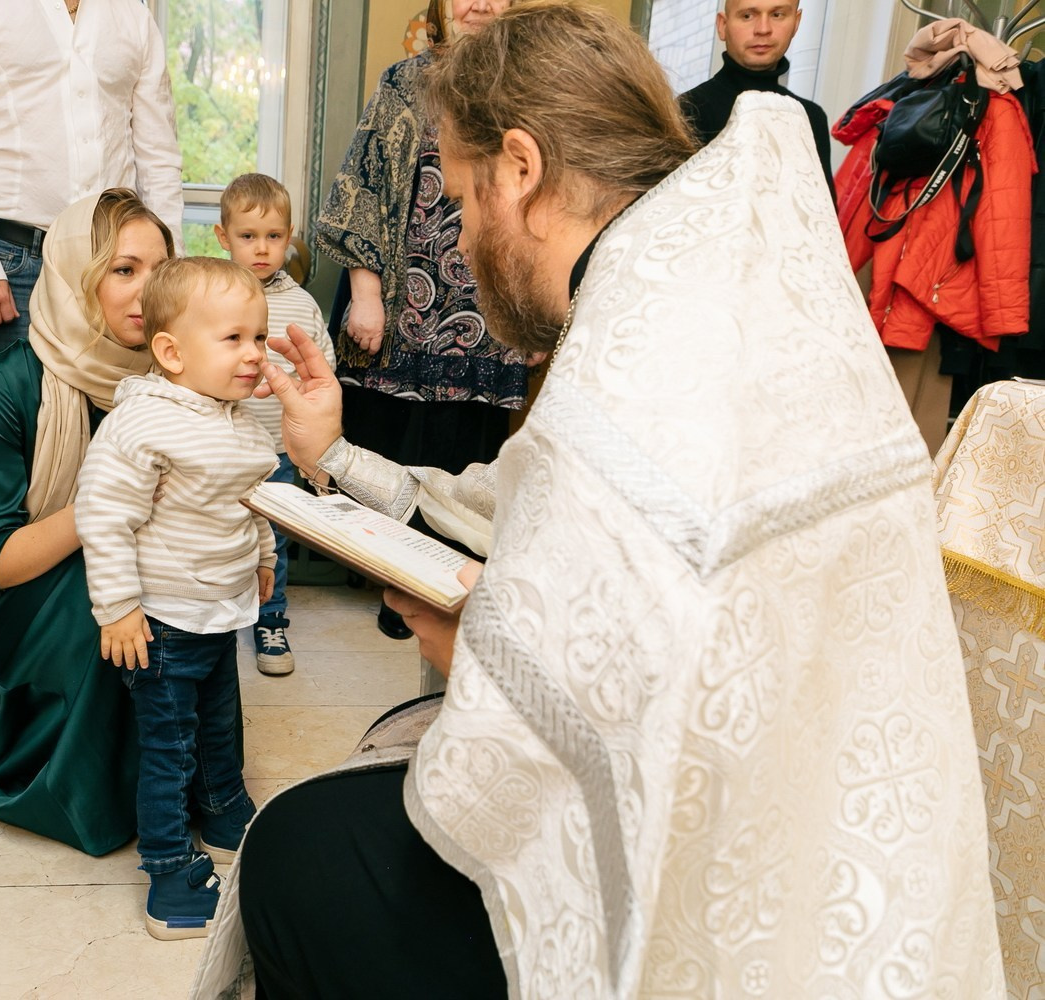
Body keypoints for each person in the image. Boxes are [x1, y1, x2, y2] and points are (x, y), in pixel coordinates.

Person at [190, 3, 1004, 997]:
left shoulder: (641, 341)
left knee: (296, 858)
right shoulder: (691, 276)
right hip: (837, 859)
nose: (466, 234)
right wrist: (332, 451)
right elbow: (535, 504)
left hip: (710, 910)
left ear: (520, 170)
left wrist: (477, 648)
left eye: (462, 198)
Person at [0, 188, 173, 856]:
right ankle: (58, 782)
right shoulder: (0, 387)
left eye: (160, 270)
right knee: (102, 581)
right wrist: (106, 504)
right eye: (123, 269)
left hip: (73, 563)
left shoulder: (167, 380)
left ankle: (163, 767)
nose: (148, 290)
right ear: (78, 275)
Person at [316, 0, 529, 640]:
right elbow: (365, 186)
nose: (482, 4)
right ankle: (398, 591)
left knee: (469, 460)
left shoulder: (530, 90)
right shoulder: (404, 83)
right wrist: (366, 293)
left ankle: (448, 593)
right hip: (406, 307)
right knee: (394, 448)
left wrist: (533, 315)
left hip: (489, 315)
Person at [75, 256, 275, 939]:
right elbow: (103, 515)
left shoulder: (241, 422)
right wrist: (119, 608)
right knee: (172, 747)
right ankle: (169, 876)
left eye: (259, 337)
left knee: (218, 725)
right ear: (172, 352)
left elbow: (252, 501)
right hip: (160, 621)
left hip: (218, 612)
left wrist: (265, 558)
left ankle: (223, 810)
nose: (253, 355)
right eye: (233, 339)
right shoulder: (143, 425)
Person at [0, 0, 183, 365]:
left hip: (115, 263)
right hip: (13, 261)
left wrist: (172, 266)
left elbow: (158, 152)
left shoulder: (132, 12)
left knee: (113, 413)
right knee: (16, 412)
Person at [215, 173, 336, 676]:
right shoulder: (211, 295)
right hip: (219, 446)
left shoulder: (301, 305)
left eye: (274, 237)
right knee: (218, 531)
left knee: (272, 537)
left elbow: (321, 370)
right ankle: (214, 620)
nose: (261, 249)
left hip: (278, 452)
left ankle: (270, 618)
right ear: (224, 238)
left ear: (289, 237)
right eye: (247, 237)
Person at [679, 0, 834, 189]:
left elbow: (823, 214)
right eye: (747, 16)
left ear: (796, 22)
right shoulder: (688, 110)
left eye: (777, 15)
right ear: (723, 25)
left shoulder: (810, 118)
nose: (763, 29)